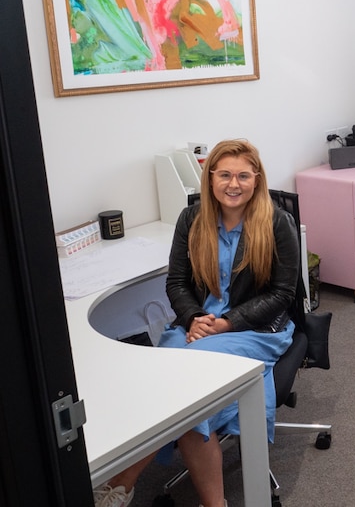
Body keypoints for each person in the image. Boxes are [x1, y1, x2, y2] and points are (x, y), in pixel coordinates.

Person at [93, 139, 299, 507]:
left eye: (243, 176)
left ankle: (122, 481)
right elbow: (177, 282)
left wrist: (228, 322)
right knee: (166, 386)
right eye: (224, 175)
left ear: (257, 179)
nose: (233, 184)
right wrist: (193, 317)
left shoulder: (276, 222)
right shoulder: (192, 219)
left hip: (255, 329)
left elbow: (283, 295)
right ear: (210, 178)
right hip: (195, 326)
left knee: (183, 393)